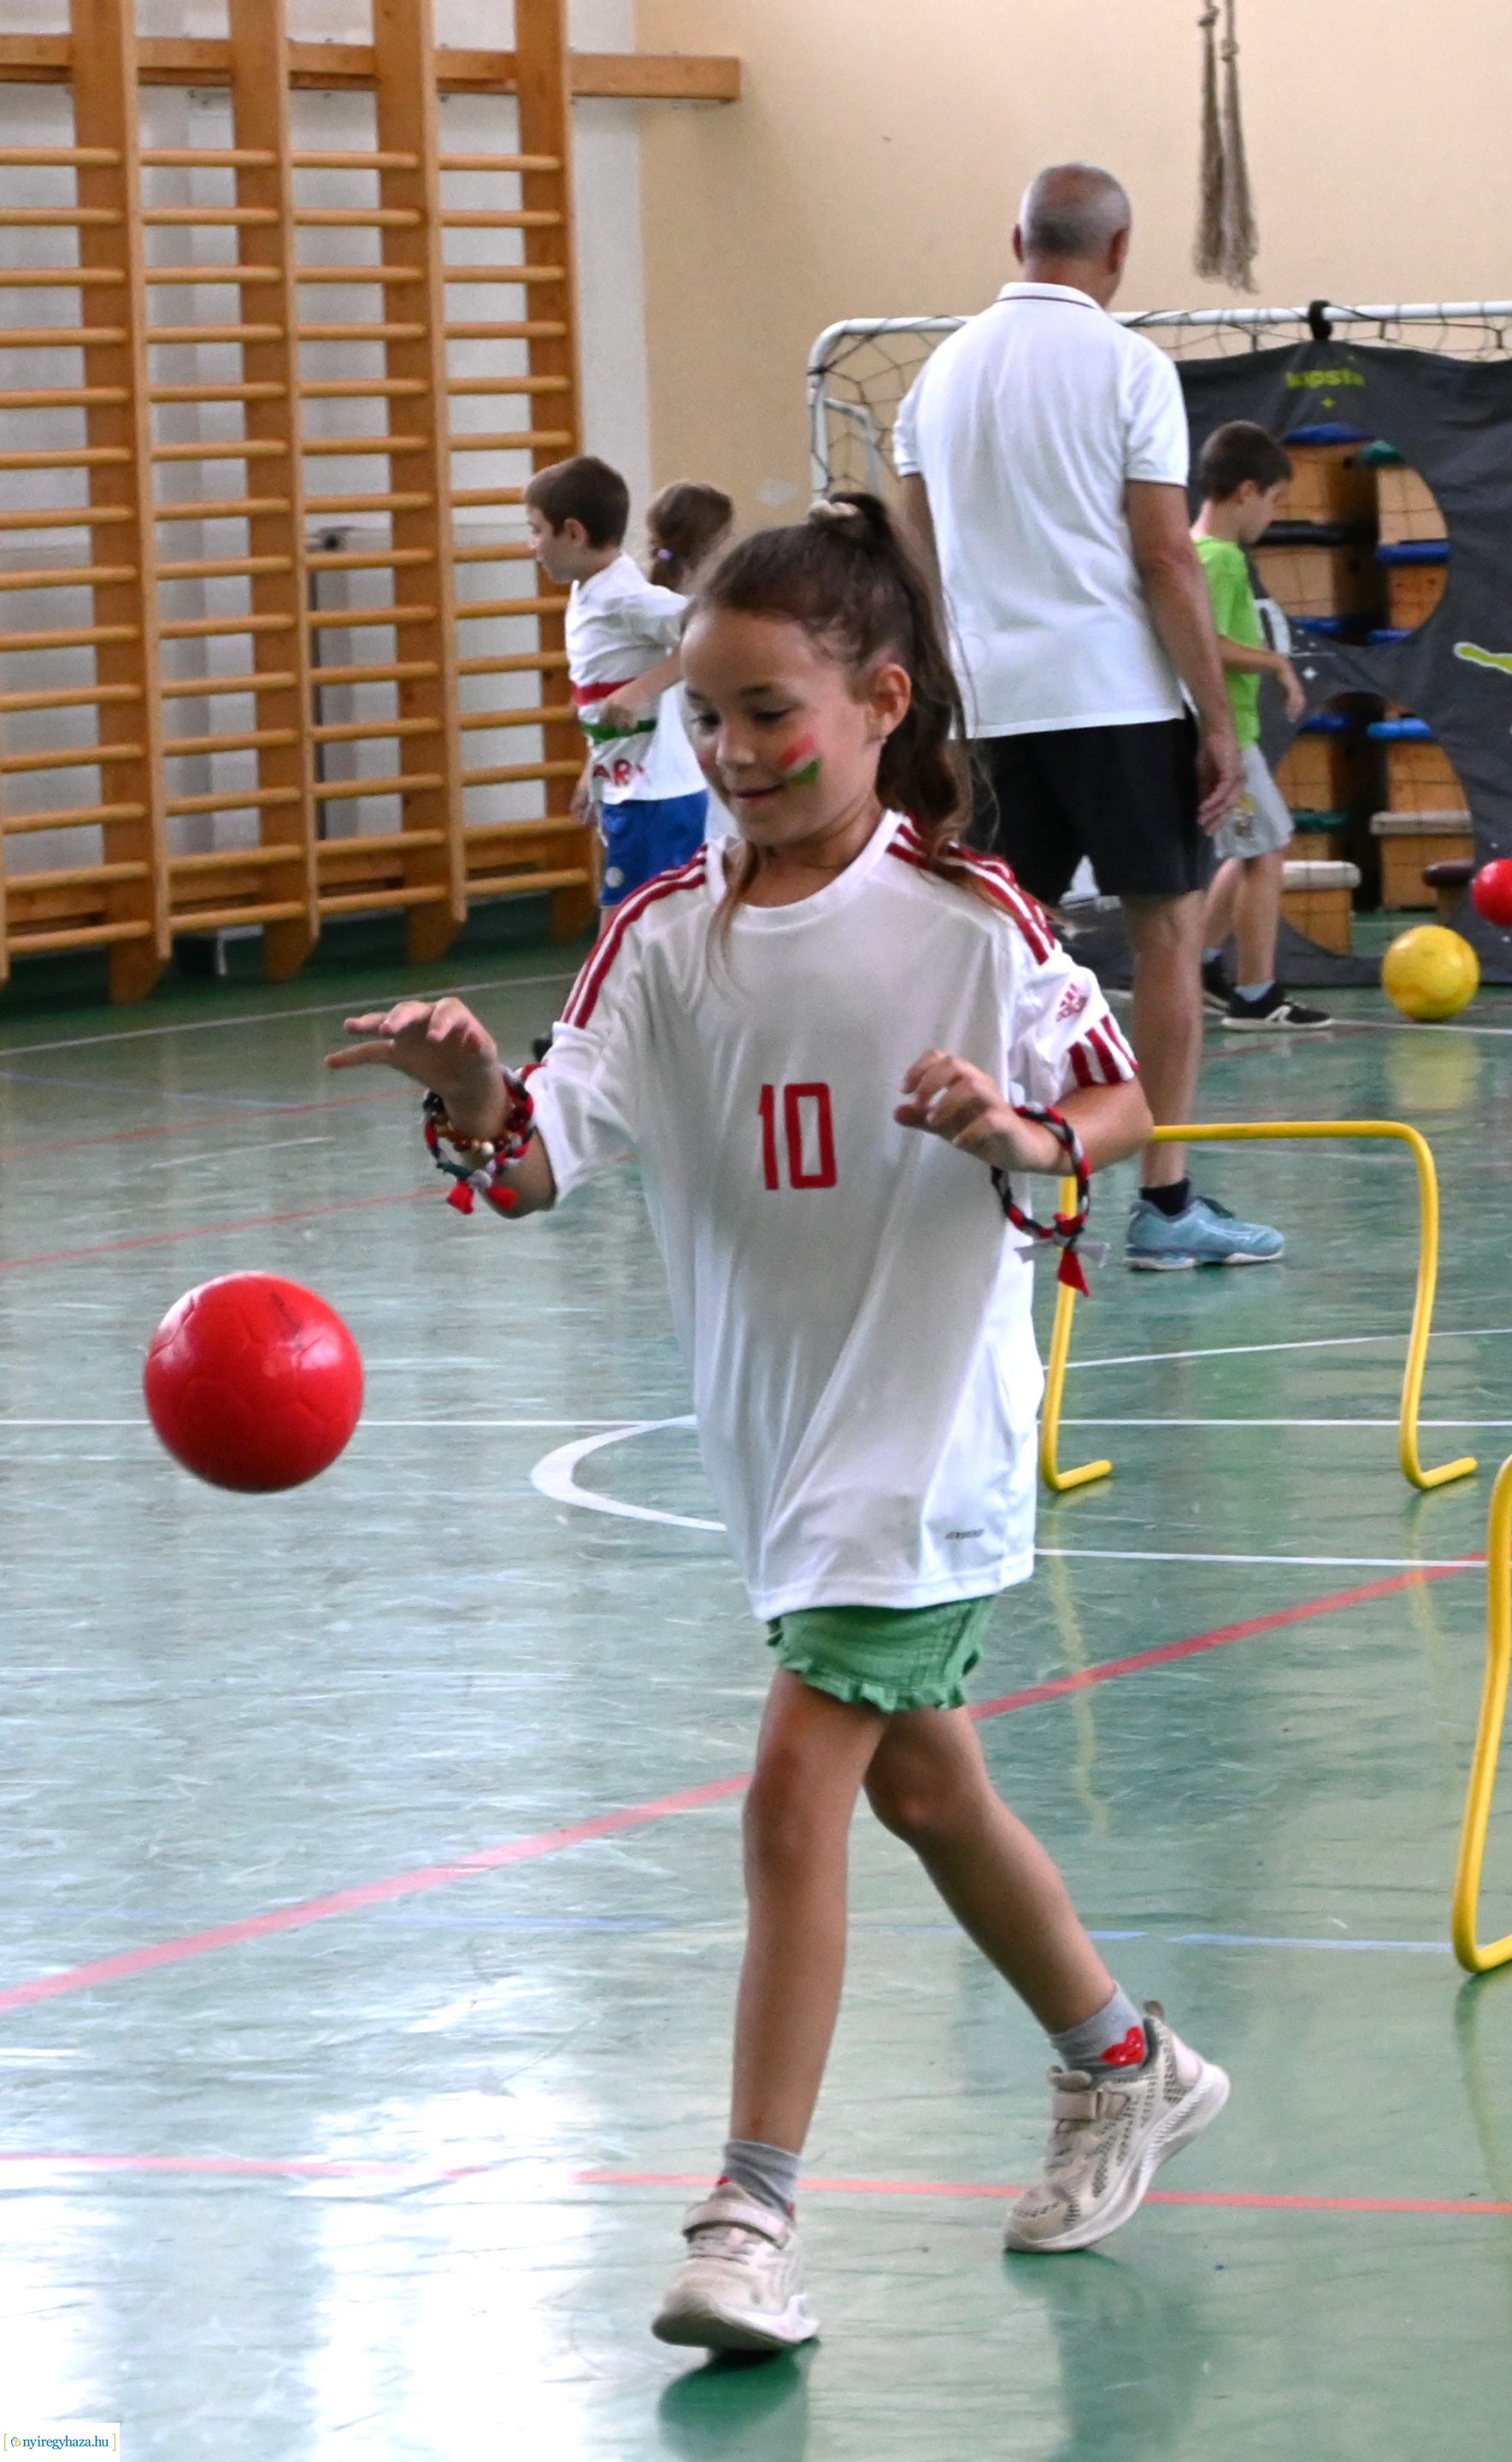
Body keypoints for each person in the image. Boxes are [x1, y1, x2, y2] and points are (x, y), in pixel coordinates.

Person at [327, 494, 1230, 2353]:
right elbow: (528, 1166)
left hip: (925, 1429)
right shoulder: (661, 943)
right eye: (711, 721)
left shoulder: (969, 920)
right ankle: (1120, 2059)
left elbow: (1114, 1105)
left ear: (881, 700)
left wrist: (1017, 1134)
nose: (732, 753)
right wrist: (469, 1082)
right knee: (919, 1778)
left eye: (769, 713)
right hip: (781, 1442)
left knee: (792, 1790)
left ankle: (749, 2215)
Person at [894, 162, 1283, 1271]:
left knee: (992, 949)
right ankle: (1165, 1208)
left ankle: (993, 1203)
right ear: (1117, 252)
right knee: (1164, 937)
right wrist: (1215, 715)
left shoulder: (939, 375)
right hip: (1115, 702)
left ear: (1015, 236)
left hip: (987, 711)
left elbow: (920, 558)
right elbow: (1165, 553)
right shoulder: (1130, 366)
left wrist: (941, 702)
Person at [525, 455, 710, 920]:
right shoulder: (591, 590)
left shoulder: (621, 597)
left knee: (622, 943)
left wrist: (642, 689)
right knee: (646, 943)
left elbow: (712, 630)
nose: (532, 546)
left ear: (573, 532)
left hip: (655, 800)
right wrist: (596, 767)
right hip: (633, 791)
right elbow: (605, 694)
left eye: (536, 531)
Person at [1192, 423, 1332, 1031]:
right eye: (1274, 500)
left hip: (1220, 730)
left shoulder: (1192, 550)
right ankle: (1257, 994)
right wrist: (1277, 662)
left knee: (1250, 848)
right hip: (1228, 734)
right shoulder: (1220, 559)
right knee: (1267, 848)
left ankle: (1194, 963)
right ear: (1246, 492)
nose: (1273, 516)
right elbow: (1207, 645)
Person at [644, 480, 738, 843]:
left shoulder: (638, 603)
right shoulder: (712, 618)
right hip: (680, 786)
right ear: (719, 544)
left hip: (649, 785)